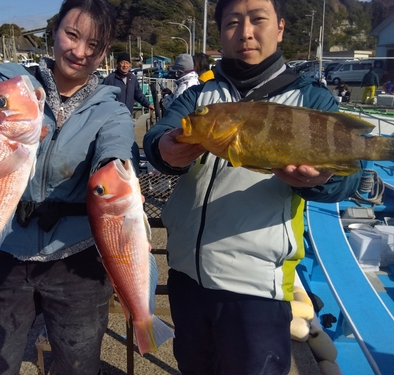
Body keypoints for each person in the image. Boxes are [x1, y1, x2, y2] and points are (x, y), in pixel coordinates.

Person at [143, 0, 363, 374]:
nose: (245, 32)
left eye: (257, 20)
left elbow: (350, 176)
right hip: (185, 276)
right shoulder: (200, 98)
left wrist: (324, 179)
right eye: (232, 22)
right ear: (221, 33)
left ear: (279, 27)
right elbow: (161, 133)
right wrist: (162, 150)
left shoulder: (310, 98)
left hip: (257, 289)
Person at [0, 0, 138, 374]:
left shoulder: (112, 108)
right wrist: (3, 118)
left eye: (93, 44)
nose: (79, 51)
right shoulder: (10, 83)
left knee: (77, 363)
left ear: (104, 53)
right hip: (5, 249)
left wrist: (114, 169)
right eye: (72, 35)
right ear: (54, 32)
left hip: (76, 259)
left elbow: (117, 146)